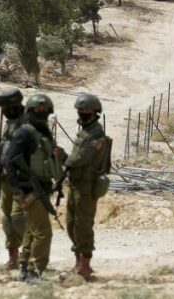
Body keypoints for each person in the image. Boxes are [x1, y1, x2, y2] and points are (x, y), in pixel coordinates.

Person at [5, 94, 66, 282]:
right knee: (43, 232)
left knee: (32, 232)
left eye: (45, 110)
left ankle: (25, 267)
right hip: (29, 190)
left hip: (41, 187)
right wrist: (17, 190)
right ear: (29, 111)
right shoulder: (24, 133)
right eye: (38, 110)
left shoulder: (44, 132)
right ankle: (34, 270)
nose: (42, 113)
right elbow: (10, 161)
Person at [62, 94, 110, 280]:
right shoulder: (85, 131)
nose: (83, 113)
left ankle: (85, 266)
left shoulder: (96, 134)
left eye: (87, 110)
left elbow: (81, 158)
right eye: (80, 110)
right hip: (76, 184)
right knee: (71, 224)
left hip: (87, 187)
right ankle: (77, 263)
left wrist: (63, 158)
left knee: (83, 225)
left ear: (95, 112)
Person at [0, 86, 26, 270]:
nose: (3, 111)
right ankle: (13, 256)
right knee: (7, 219)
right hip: (7, 178)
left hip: (22, 180)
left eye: (4, 107)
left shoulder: (26, 123)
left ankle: (29, 253)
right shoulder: (10, 123)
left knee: (19, 218)